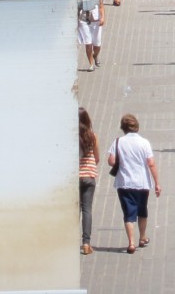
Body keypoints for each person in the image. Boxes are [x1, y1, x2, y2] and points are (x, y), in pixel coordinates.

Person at [107, 114, 161, 254]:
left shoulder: (118, 142)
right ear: (137, 126)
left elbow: (111, 161)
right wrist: (157, 183)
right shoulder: (144, 142)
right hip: (142, 183)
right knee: (142, 210)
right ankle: (142, 237)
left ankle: (131, 243)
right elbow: (151, 163)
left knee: (128, 213)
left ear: (123, 128)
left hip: (124, 182)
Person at [79, 107, 100, 256]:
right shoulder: (92, 136)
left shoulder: (70, 137)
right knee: (87, 210)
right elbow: (97, 157)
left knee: (74, 211)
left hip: (74, 178)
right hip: (89, 176)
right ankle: (86, 244)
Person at [77, 0, 105, 71]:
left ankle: (95, 56)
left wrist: (102, 18)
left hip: (96, 22)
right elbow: (78, 10)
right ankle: (91, 64)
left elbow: (101, 7)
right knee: (88, 43)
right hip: (84, 22)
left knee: (97, 45)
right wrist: (77, 22)